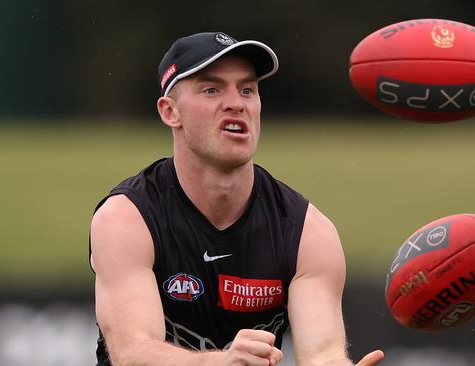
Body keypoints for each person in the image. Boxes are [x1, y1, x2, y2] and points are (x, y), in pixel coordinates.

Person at [89, 31, 384, 366]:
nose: (236, 103)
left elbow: (322, 353)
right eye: (212, 89)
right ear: (170, 112)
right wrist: (220, 362)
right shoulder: (127, 219)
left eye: (247, 89)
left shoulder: (307, 231)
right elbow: (133, 353)